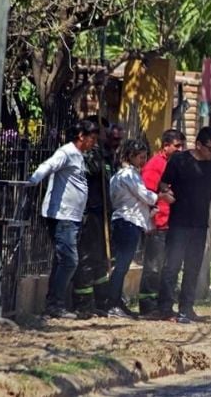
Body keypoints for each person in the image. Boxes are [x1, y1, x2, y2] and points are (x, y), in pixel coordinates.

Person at [26, 120, 99, 319]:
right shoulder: (66, 152)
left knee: (62, 261)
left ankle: (55, 304)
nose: (93, 142)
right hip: (63, 216)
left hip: (73, 217)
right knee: (69, 261)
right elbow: (48, 165)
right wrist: (32, 180)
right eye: (91, 138)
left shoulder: (80, 156)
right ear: (81, 136)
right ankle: (54, 304)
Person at [158, 126, 211, 322]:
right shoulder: (180, 160)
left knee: (193, 267)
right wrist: (166, 194)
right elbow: (164, 184)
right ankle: (165, 308)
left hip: (199, 224)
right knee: (172, 265)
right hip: (179, 222)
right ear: (198, 145)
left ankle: (186, 308)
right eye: (210, 149)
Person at [107, 140, 175, 318]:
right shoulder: (128, 175)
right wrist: (160, 196)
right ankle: (112, 303)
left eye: (145, 157)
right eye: (140, 157)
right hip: (127, 222)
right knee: (121, 265)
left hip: (129, 222)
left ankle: (116, 302)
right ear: (130, 156)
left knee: (123, 264)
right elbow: (145, 196)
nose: (143, 161)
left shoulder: (125, 175)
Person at [70, 117, 123, 317]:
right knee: (86, 258)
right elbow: (89, 172)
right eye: (103, 132)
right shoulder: (88, 156)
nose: (108, 135)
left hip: (104, 213)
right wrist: (98, 159)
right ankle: (83, 303)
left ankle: (102, 301)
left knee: (103, 258)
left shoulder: (108, 156)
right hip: (90, 213)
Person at [137, 129, 187, 318]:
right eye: (177, 146)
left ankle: (164, 306)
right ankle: (148, 306)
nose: (180, 149)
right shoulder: (155, 165)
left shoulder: (176, 164)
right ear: (165, 146)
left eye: (182, 145)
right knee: (154, 267)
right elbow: (147, 195)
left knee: (170, 267)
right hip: (158, 224)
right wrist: (151, 220)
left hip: (172, 224)